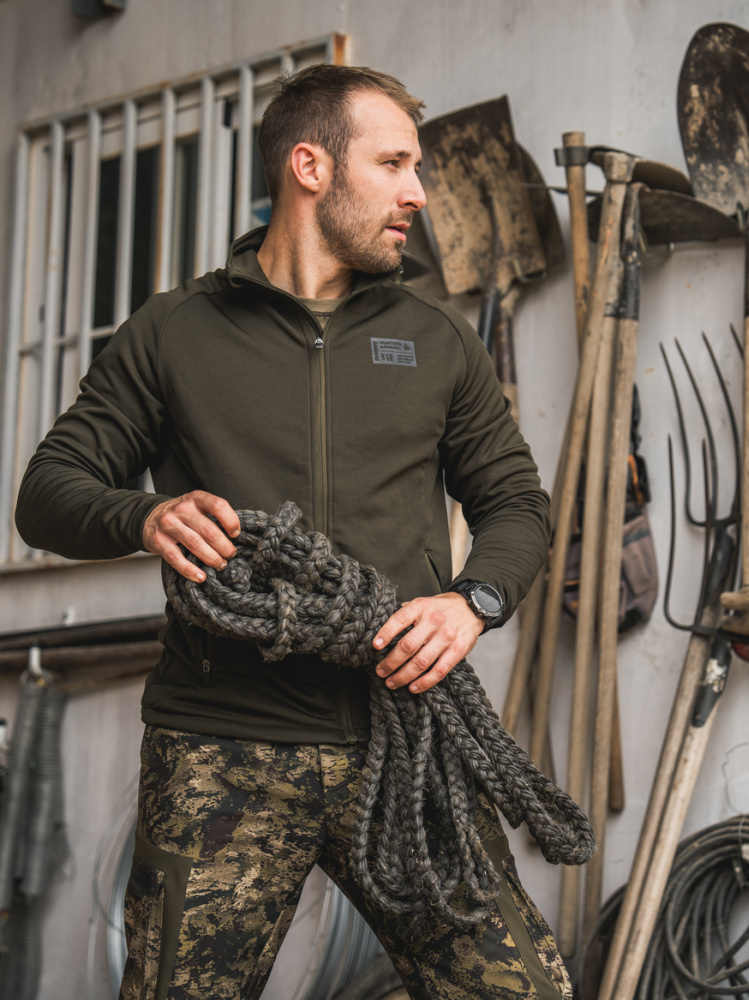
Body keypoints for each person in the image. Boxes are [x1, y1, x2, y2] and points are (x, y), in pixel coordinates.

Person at [16, 65, 570, 1000]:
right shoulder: (173, 334)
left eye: (417, 167)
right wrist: (143, 515)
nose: (416, 193)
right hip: (220, 746)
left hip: (403, 740)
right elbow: (47, 491)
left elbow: (518, 502)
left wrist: (472, 603)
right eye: (392, 163)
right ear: (309, 167)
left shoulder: (436, 342)